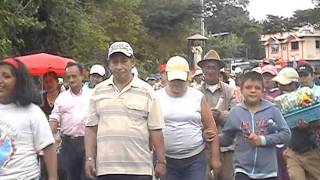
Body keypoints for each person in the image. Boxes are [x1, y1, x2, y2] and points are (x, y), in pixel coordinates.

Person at [84, 41, 166, 180]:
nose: (119, 66)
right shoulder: (98, 91)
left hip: (139, 169)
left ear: (132, 62)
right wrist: (90, 158)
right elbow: (91, 128)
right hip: (107, 169)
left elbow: (156, 129)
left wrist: (161, 161)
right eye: (115, 62)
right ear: (109, 64)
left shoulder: (147, 91)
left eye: (124, 61)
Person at [156, 56, 221, 180]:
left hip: (195, 159)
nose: (177, 83)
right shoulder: (157, 97)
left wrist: (215, 158)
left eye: (180, 79)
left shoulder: (197, 96)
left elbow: (212, 129)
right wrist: (159, 160)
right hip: (166, 160)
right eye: (173, 79)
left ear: (188, 76)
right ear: (166, 76)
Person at [220, 71, 291, 180]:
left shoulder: (272, 109)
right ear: (241, 90)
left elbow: (286, 134)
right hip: (243, 170)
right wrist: (214, 137)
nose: (253, 91)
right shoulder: (235, 112)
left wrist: (263, 140)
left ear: (263, 90)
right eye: (248, 87)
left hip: (268, 171)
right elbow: (227, 138)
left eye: (257, 88)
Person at [0, 58, 57, 179]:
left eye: (6, 76)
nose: (1, 81)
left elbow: (48, 146)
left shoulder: (32, 112)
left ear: (19, 82)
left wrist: (53, 177)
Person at [273, 67, 320, 180]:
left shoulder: (306, 95)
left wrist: (308, 124)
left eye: (285, 83)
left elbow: (316, 115)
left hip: (310, 149)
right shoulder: (278, 101)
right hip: (291, 151)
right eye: (280, 83)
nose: (281, 86)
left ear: (294, 83)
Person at [197, 50, 237, 180]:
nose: (210, 71)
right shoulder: (195, 94)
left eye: (214, 67)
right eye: (207, 67)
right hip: (204, 147)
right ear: (202, 69)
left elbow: (237, 116)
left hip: (227, 148)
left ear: (219, 70)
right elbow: (191, 119)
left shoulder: (230, 91)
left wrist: (220, 115)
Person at [49, 62, 93, 180]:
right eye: (68, 77)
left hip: (87, 143)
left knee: (88, 176)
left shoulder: (92, 96)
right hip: (68, 144)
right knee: (68, 175)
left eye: (74, 76)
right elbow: (54, 118)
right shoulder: (62, 98)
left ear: (82, 76)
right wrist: (47, 136)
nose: (71, 80)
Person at [40, 71, 68, 180]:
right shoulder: (40, 98)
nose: (48, 84)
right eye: (45, 82)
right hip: (44, 139)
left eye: (51, 81)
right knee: (44, 171)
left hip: (61, 140)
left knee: (61, 171)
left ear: (57, 82)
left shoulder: (64, 97)